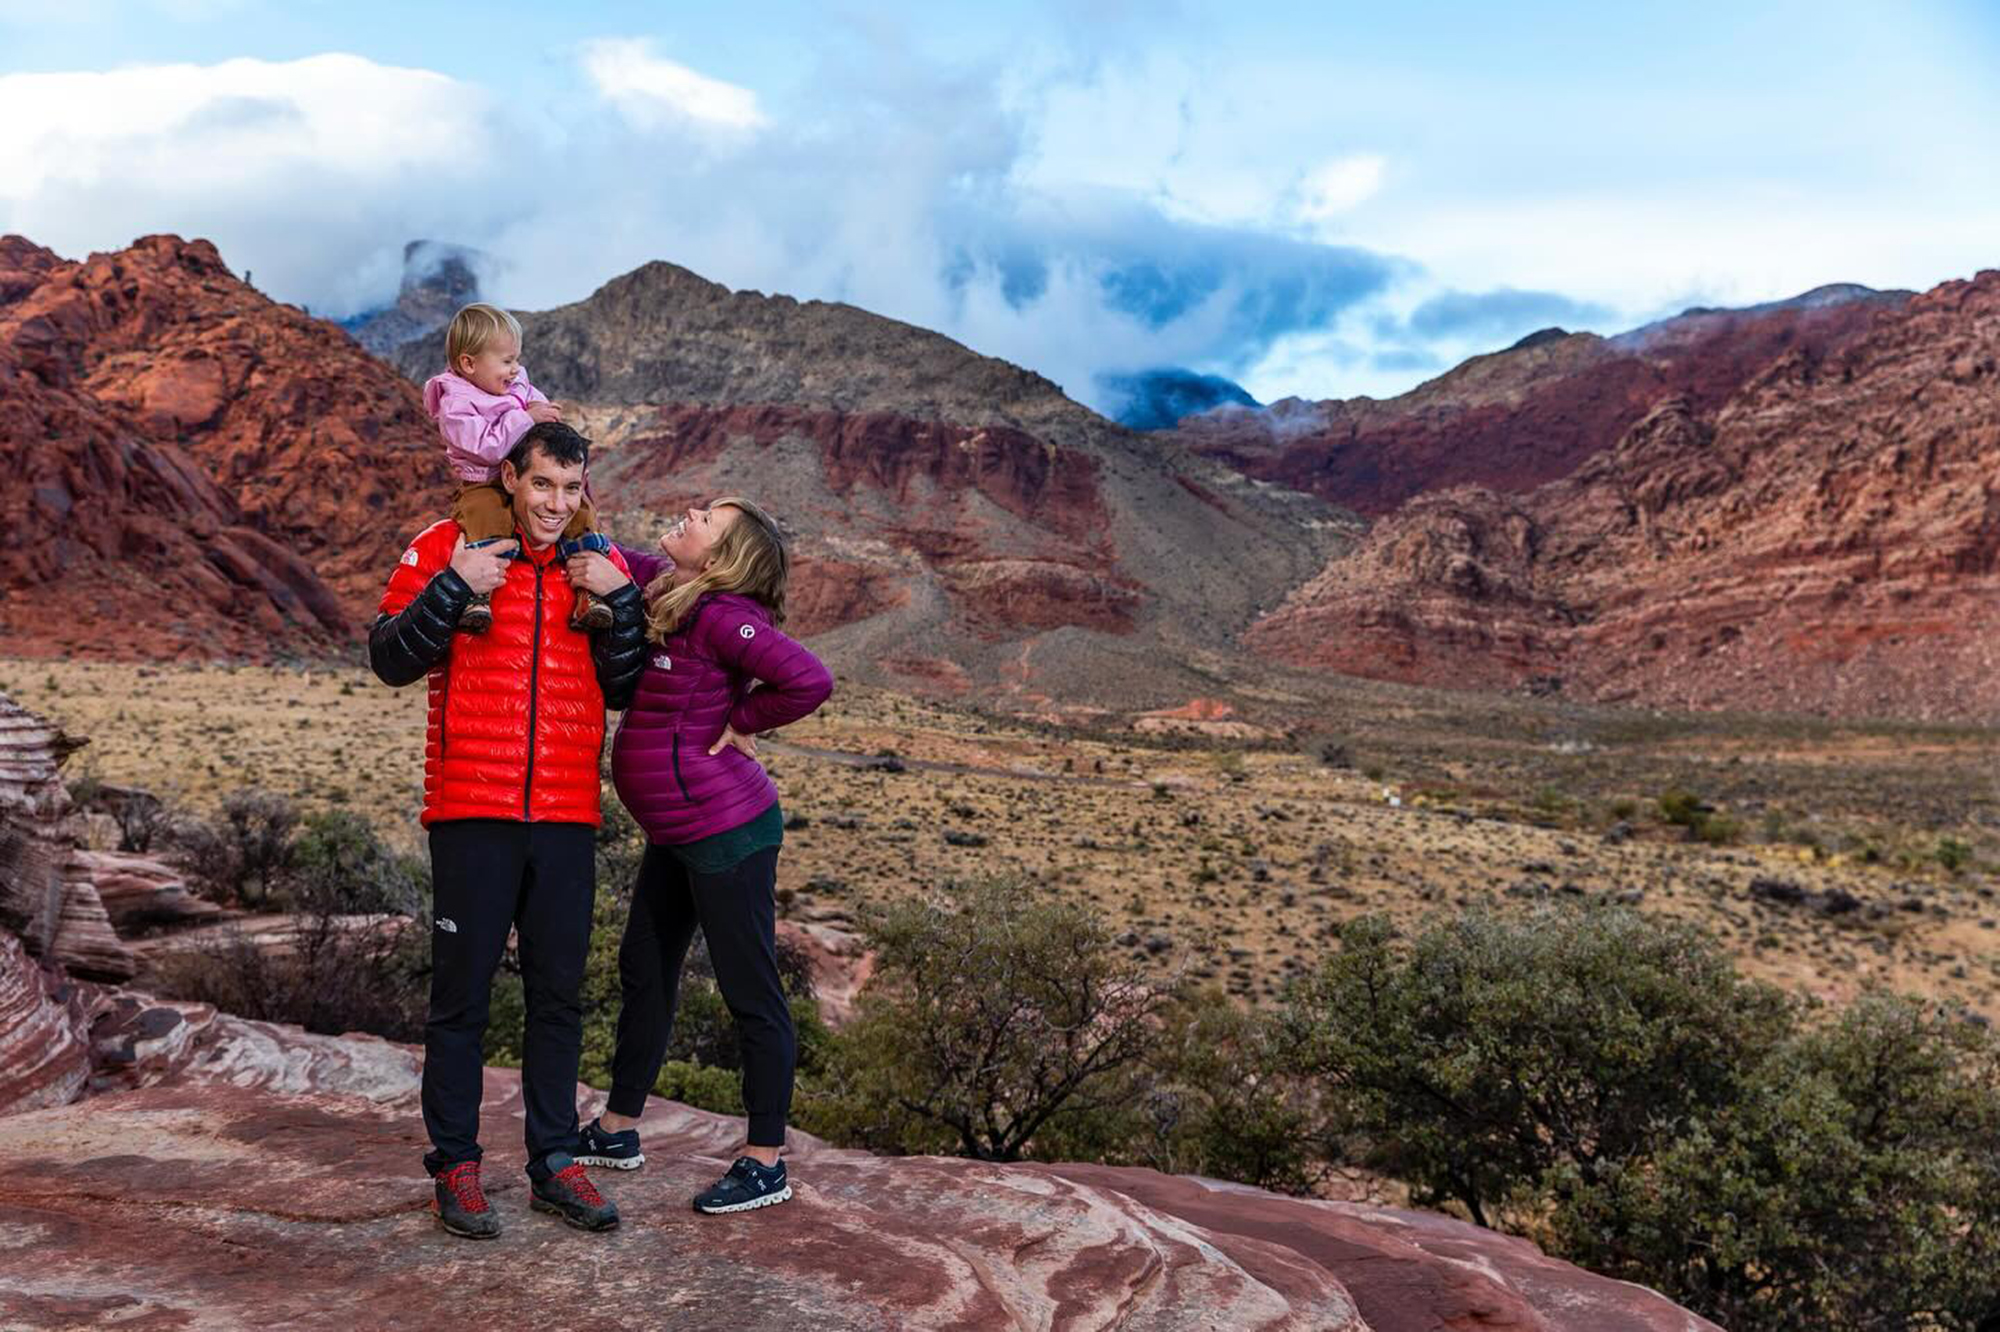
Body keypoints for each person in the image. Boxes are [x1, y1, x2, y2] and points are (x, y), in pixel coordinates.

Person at [369, 421, 647, 1240]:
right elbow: (388, 657)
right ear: (511, 479)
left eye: (571, 488)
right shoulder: (448, 545)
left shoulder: (599, 564)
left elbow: (624, 687)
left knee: (558, 997)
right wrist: (454, 585)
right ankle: (456, 1164)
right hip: (471, 813)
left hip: (566, 817)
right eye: (541, 486)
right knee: (461, 1001)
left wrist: (623, 601)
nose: (555, 504)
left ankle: (554, 1162)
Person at [565, 498, 833, 1215]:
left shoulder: (723, 616)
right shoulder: (664, 587)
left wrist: (743, 721)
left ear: (722, 559)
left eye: (707, 517)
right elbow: (609, 551)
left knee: (750, 992)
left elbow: (810, 681)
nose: (690, 511)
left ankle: (765, 1161)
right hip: (677, 829)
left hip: (727, 830)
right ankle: (618, 1130)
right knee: (644, 968)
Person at [423, 302, 613, 635]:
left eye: (517, 360)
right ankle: (477, 596)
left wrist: (544, 416)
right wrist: (525, 418)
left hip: (527, 476)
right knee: (485, 516)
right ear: (468, 363)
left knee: (580, 512)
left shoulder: (513, 382)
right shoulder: (456, 405)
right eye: (507, 361)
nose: (515, 369)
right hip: (484, 481)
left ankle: (588, 591)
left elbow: (533, 400)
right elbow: (485, 447)